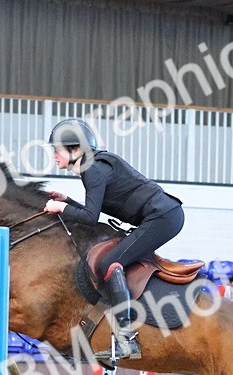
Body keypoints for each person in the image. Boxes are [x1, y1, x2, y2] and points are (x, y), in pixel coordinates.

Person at [42, 118, 184, 362]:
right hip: (163, 215)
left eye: (57, 149)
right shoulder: (94, 166)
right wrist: (66, 201)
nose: (54, 155)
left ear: (75, 150)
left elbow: (89, 217)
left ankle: (127, 340)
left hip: (163, 217)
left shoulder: (93, 170)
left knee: (110, 264)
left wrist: (60, 208)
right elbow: (91, 212)